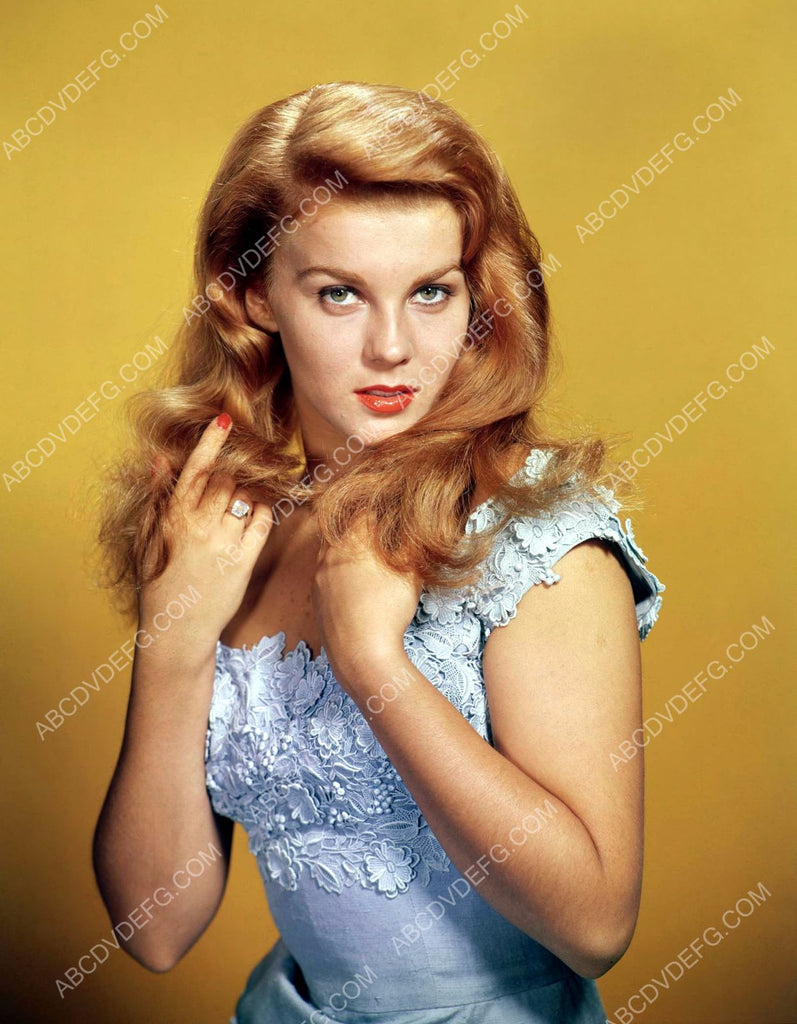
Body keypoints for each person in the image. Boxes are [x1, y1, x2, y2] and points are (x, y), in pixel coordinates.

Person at [92, 81, 665, 1024]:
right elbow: (157, 932)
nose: (393, 347)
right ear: (252, 292)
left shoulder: (538, 540)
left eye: (431, 292)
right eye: (339, 293)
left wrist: (372, 662)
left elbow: (596, 924)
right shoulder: (227, 537)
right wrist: (173, 639)